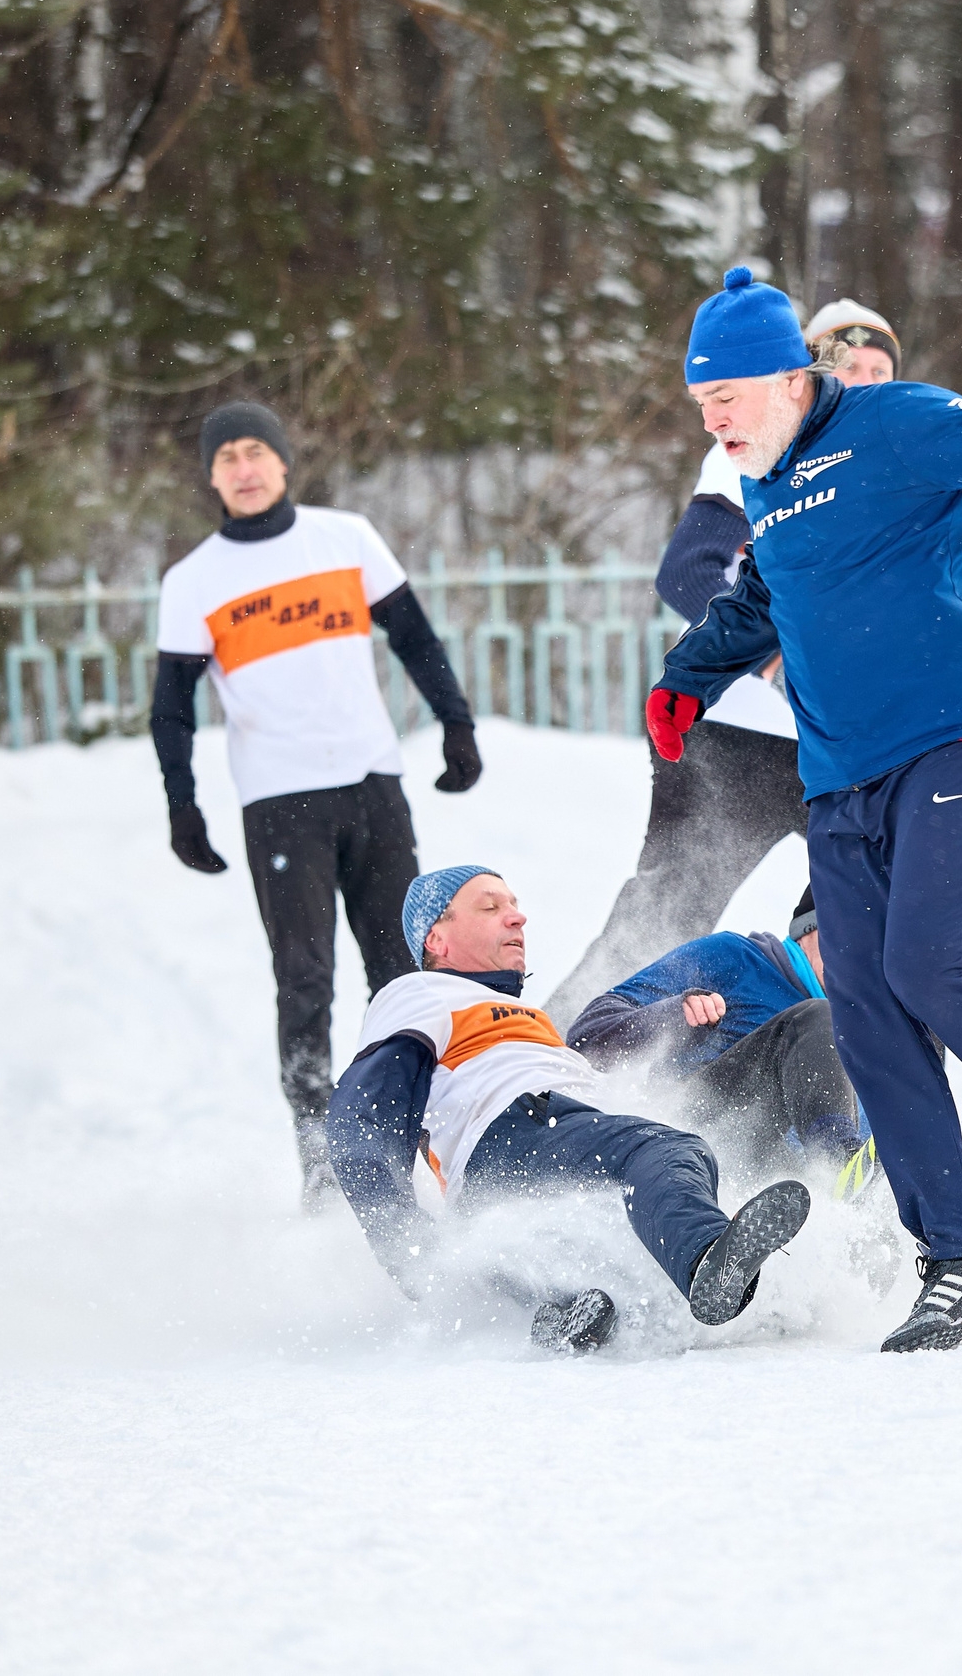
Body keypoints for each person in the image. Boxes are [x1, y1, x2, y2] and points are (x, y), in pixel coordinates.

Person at [645, 266, 962, 1353]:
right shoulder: (763, 482)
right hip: (842, 778)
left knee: (925, 964)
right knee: (863, 1010)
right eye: (700, 406)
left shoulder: (894, 422)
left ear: (786, 378)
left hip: (961, 740)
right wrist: (689, 676)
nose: (714, 421)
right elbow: (763, 593)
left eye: (725, 398)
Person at [151, 401, 484, 1206]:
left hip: (371, 784)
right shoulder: (194, 580)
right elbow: (171, 707)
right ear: (211, 474)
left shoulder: (345, 537)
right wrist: (183, 808)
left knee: (403, 973)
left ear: (284, 460)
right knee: (303, 980)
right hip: (279, 802)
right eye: (226, 455)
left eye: (256, 449)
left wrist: (456, 726)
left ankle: (428, 1138)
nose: (244, 466)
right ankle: (325, 1165)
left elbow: (414, 637)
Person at [543, 301, 905, 1029]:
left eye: (881, 371)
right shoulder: (759, 441)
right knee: (661, 918)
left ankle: (882, 1117)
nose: (864, 382)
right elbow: (689, 571)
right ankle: (538, 1069)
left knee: (878, 922)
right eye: (848, 366)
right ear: (805, 377)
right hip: (730, 738)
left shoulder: (896, 465)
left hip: (836, 752)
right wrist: (775, 659)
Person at [326, 865, 812, 1354]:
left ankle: (563, 1312)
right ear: (438, 938)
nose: (516, 918)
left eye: (514, 905)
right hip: (517, 1130)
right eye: (491, 907)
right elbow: (363, 1113)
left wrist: (672, 1024)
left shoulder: (528, 1020)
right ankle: (709, 1256)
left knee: (606, 1234)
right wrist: (403, 1243)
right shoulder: (420, 993)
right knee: (667, 1149)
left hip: (517, 1165)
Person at [566, 888, 867, 1183]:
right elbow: (586, 1037)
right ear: (809, 928)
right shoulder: (738, 958)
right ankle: (837, 1164)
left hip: (777, 1184)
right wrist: (674, 1017)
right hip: (695, 1134)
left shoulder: (868, 1046)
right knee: (814, 1017)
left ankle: (847, 1197)